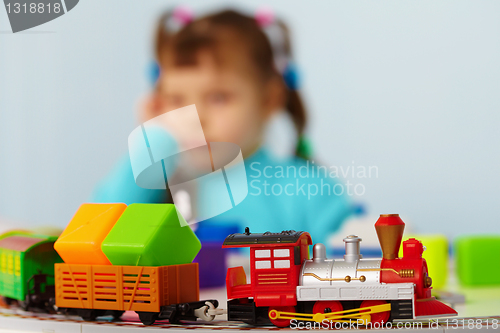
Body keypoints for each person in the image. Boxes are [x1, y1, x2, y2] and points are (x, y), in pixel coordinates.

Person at [92, 8, 355, 245]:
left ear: (269, 99)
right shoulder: (158, 185)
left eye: (218, 97)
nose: (194, 117)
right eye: (176, 100)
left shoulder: (307, 189)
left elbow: (355, 267)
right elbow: (98, 235)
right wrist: (150, 146)